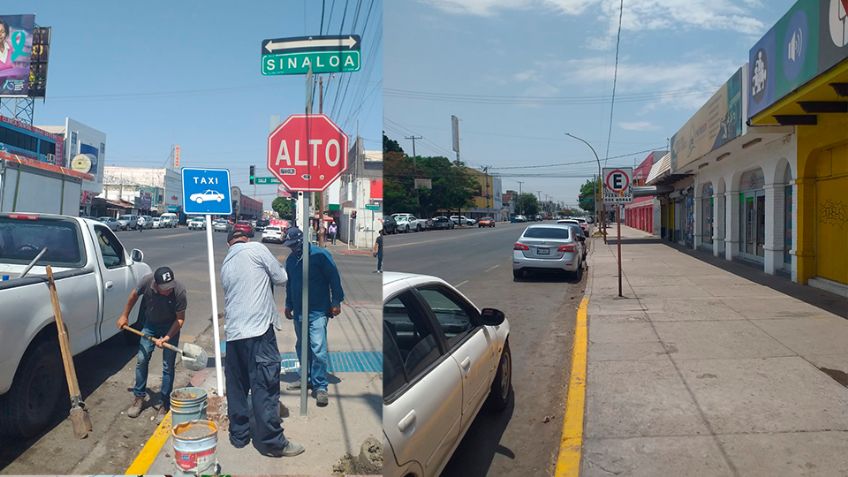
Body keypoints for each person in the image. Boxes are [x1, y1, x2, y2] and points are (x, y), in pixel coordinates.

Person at [220, 229, 304, 457]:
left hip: (234, 335)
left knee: (237, 388)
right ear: (246, 239)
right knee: (264, 388)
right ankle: (273, 443)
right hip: (258, 332)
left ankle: (239, 436)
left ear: (230, 244)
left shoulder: (226, 264)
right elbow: (281, 278)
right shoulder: (256, 248)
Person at [282, 227, 344, 407]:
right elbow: (290, 284)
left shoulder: (320, 255)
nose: (291, 249)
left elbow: (334, 278)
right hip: (299, 312)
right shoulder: (291, 259)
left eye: (293, 245)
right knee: (302, 346)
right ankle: (305, 378)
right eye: (289, 246)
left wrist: (336, 301)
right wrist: (288, 304)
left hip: (317, 311)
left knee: (318, 348)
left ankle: (320, 386)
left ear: (301, 241)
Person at [116, 266, 187, 421]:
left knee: (168, 366)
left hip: (171, 327)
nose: (168, 291)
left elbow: (180, 319)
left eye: (170, 288)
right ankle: (139, 397)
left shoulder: (179, 291)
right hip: (150, 324)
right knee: (142, 359)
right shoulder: (147, 281)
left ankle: (164, 402)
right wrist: (124, 316)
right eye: (165, 289)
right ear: (156, 284)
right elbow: (134, 295)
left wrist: (167, 338)